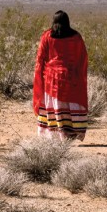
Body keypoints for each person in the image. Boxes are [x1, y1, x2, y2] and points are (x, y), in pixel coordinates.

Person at [32, 10, 89, 141]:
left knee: (54, 105)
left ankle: (54, 134)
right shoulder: (76, 36)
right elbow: (82, 58)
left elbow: (40, 59)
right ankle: (70, 133)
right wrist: (78, 75)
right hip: (70, 76)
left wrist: (40, 76)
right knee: (68, 104)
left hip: (51, 78)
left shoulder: (47, 36)